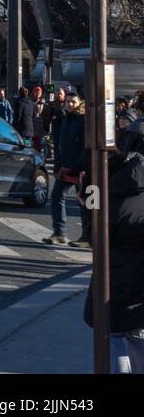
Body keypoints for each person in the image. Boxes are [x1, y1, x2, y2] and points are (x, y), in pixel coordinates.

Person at [83, 136, 144, 372]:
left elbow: (92, 237)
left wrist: (87, 205)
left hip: (110, 290)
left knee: (115, 351)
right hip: (137, 297)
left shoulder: (99, 189)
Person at [45, 89, 88, 247]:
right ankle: (59, 233)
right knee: (56, 196)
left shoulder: (83, 119)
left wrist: (80, 166)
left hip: (81, 168)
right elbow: (60, 145)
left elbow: (86, 146)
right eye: (68, 101)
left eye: (73, 102)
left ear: (80, 103)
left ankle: (87, 237)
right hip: (65, 166)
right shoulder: (64, 118)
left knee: (85, 202)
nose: (70, 104)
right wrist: (58, 164)